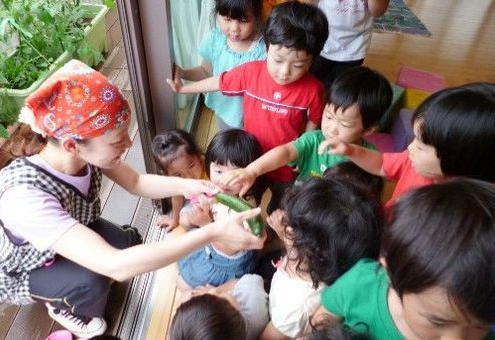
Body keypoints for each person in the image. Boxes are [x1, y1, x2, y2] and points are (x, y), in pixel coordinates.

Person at [0, 60, 265, 339]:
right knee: (92, 281)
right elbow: (116, 266)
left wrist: (191, 185)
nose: (129, 145)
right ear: (72, 145)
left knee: (129, 241)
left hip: (63, 233)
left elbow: (137, 182)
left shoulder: (85, 150)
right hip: (23, 266)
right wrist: (214, 232)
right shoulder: (24, 199)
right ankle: (65, 307)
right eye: (118, 140)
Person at [167, 1, 328, 213]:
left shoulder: (314, 89)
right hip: (248, 159)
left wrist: (304, 153)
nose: (284, 71)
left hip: (285, 165)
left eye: (297, 65)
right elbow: (218, 81)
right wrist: (183, 89)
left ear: (311, 61)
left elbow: (313, 122)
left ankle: (271, 229)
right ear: (267, 46)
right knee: (246, 200)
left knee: (280, 203)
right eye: (278, 60)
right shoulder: (251, 72)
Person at [313, 179, 495, 339]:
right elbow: (325, 315)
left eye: (482, 325)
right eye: (437, 321)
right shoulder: (361, 284)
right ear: (390, 273)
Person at [221, 66, 392, 195]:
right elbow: (287, 152)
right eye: (329, 117)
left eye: (345, 125)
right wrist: (252, 170)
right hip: (301, 197)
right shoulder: (315, 139)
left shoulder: (373, 160)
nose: (331, 129)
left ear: (369, 129)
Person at [320, 82, 495, 208]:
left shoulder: (458, 209)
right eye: (414, 139)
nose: (410, 148)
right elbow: (381, 164)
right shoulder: (411, 161)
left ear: (459, 160)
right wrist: (351, 150)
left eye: (420, 146)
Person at [260, 178, 383, 339]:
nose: (287, 227)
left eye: (293, 230)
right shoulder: (325, 264)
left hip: (278, 320)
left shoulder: (293, 310)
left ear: (313, 254)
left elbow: (268, 337)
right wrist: (284, 235)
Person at [177, 129, 265, 290]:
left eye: (234, 175)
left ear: (249, 176)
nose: (224, 181)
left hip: (225, 263)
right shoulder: (217, 191)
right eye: (218, 171)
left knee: (181, 285)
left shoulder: (246, 210)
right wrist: (199, 212)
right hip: (209, 245)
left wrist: (205, 224)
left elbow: (228, 247)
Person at [172, 0, 265, 130]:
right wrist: (183, 73)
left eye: (243, 21)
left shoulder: (264, 49)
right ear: (217, 14)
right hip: (224, 112)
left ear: (257, 17)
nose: (234, 28)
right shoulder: (215, 41)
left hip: (255, 117)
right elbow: (205, 71)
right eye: (227, 19)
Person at [305, 0, 390, 87]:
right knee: (315, 83)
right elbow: (309, 5)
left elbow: (378, 12)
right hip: (322, 41)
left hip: (354, 47)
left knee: (342, 88)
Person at [170, 274, 269, 340]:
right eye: (221, 296)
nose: (213, 291)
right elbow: (251, 279)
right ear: (237, 313)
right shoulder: (254, 301)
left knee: (182, 287)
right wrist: (220, 289)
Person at [151, 129, 205, 231]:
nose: (188, 176)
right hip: (197, 204)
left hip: (217, 200)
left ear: (198, 156)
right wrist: (174, 221)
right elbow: (177, 199)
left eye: (191, 166)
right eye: (178, 175)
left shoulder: (208, 166)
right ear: (168, 176)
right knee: (184, 221)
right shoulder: (177, 184)